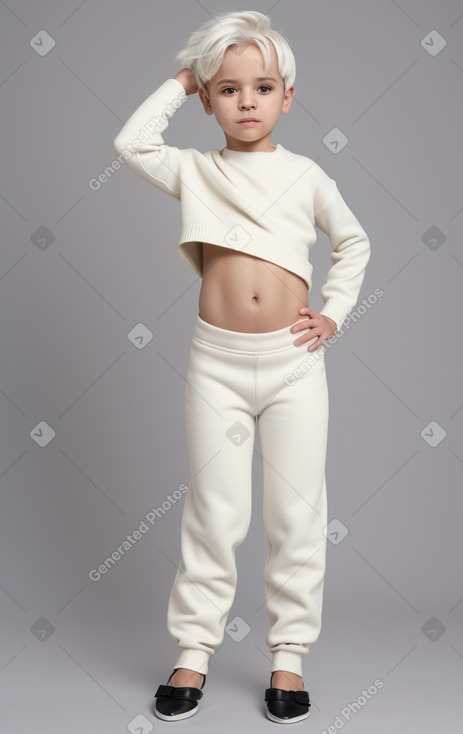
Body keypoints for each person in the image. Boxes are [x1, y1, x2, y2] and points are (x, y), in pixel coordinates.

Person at [112, 9, 370, 724]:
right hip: (216, 363)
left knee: (295, 512)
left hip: (290, 363)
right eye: (227, 89)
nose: (246, 101)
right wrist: (178, 79)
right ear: (206, 99)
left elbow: (352, 243)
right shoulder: (194, 171)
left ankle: (288, 656)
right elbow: (130, 142)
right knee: (213, 512)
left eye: (262, 87)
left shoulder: (306, 173)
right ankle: (192, 650)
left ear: (288, 96)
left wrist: (336, 312)